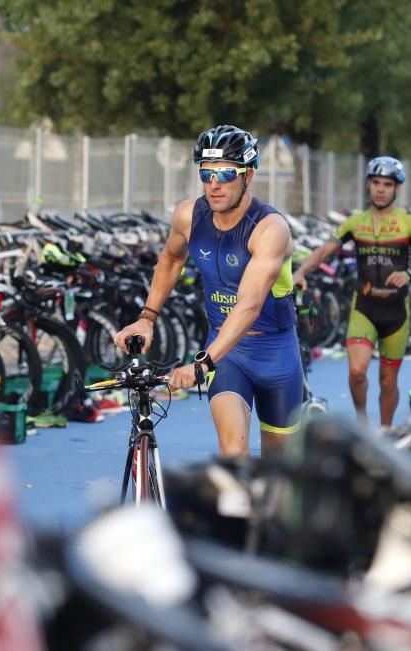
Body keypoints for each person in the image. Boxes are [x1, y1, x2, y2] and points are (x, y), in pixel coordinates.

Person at [112, 125, 300, 458]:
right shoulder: (188, 215)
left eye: (227, 173)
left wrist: (201, 363)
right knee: (233, 458)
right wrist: (147, 318)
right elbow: (171, 258)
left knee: (280, 472)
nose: (214, 184)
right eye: (206, 173)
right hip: (228, 355)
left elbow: (249, 305)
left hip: (276, 353)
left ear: (248, 176)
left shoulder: (270, 229)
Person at [293, 156, 411, 429]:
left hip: (396, 313)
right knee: (357, 372)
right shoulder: (354, 223)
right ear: (368, 185)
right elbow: (324, 250)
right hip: (364, 309)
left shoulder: (409, 224)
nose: (381, 189)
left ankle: (387, 431)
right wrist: (301, 272)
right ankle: (362, 424)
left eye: (388, 184)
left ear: (397, 189)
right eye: (376, 183)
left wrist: (409, 274)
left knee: (388, 380)